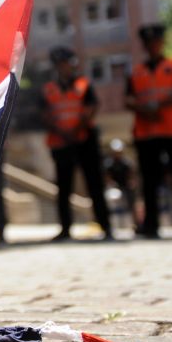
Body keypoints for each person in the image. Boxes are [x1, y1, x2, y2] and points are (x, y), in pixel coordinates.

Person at [125, 23, 172, 239]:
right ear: (144, 45)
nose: (152, 46)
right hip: (147, 132)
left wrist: (156, 107)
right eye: (148, 42)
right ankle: (151, 226)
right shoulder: (136, 72)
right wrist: (144, 110)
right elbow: (128, 99)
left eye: (155, 41)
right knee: (149, 181)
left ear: (161, 43)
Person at [40, 46, 111, 240]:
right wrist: (62, 132)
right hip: (61, 142)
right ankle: (65, 228)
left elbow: (91, 108)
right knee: (64, 187)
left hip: (84, 140)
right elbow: (44, 114)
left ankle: (106, 226)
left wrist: (75, 130)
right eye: (61, 64)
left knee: (94, 184)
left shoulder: (83, 84)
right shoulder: (49, 89)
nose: (65, 67)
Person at [103, 138, 140, 226]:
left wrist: (131, 183)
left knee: (132, 200)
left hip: (125, 186)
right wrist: (111, 184)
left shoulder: (127, 163)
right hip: (114, 186)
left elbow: (131, 176)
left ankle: (135, 223)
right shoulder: (108, 164)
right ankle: (112, 224)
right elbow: (107, 177)